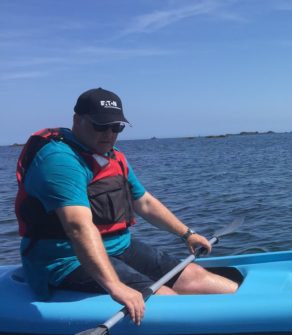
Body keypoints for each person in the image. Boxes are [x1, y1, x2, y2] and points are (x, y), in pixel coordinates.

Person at [15, 88, 238, 326]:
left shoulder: (111, 155)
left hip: (119, 246)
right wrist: (115, 287)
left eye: (116, 127)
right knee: (168, 302)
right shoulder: (60, 161)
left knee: (196, 278)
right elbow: (78, 226)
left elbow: (144, 202)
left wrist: (187, 233)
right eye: (100, 126)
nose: (109, 134)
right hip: (66, 259)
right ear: (77, 120)